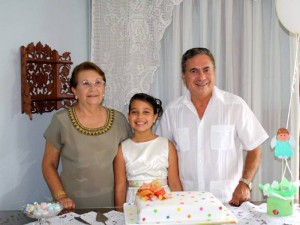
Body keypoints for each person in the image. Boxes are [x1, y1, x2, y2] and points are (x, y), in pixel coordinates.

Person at [156, 48, 269, 206]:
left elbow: (255, 148)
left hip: (228, 201)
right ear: (184, 77)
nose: (201, 77)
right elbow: (162, 155)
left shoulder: (235, 106)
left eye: (206, 70)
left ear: (214, 72)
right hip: (187, 202)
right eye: (194, 71)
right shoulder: (172, 112)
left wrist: (245, 183)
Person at [42, 61, 132, 209]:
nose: (93, 88)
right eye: (85, 83)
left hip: (114, 205)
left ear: (104, 89)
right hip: (72, 207)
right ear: (74, 91)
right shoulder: (61, 121)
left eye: (98, 82)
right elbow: (48, 164)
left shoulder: (119, 120)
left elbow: (132, 162)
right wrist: (61, 197)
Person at [114, 93, 182, 211]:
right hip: (134, 203)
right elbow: (120, 188)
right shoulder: (122, 149)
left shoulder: (167, 145)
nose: (140, 116)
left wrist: (180, 210)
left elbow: (175, 183)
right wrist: (120, 214)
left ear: (155, 117)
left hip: (163, 202)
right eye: (135, 112)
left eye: (146, 112)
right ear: (129, 116)